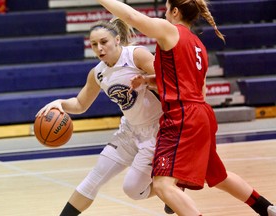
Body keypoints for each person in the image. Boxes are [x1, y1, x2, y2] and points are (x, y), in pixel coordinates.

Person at [94, 0, 276, 215]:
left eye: (166, 9)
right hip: (201, 112)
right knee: (219, 176)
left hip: (182, 116)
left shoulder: (171, 31)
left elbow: (133, 18)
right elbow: (191, 83)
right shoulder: (198, 44)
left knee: (162, 185)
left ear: (176, 11)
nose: (163, 14)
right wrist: (148, 81)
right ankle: (267, 208)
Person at [36, 18, 163, 215]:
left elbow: (170, 81)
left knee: (133, 190)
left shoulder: (136, 55)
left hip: (156, 131)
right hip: (129, 131)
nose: (99, 48)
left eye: (104, 42)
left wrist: (146, 81)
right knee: (93, 179)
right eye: (94, 44)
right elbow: (80, 104)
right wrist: (60, 103)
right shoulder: (98, 73)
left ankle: (173, 186)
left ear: (117, 39)